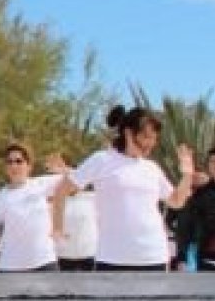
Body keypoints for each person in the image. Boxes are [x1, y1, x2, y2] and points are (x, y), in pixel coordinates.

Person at [52, 106, 194, 272]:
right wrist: (57, 228)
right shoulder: (102, 160)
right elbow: (61, 191)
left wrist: (187, 174)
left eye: (154, 138)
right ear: (128, 133)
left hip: (153, 256)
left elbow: (177, 201)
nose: (150, 143)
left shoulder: (151, 168)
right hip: (113, 257)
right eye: (146, 137)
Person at [0, 143, 62, 273]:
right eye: (9, 162)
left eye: (19, 161)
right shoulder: (0, 199)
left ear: (28, 166)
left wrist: (63, 170)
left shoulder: (41, 184)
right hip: (12, 267)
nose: (14, 166)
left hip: (44, 263)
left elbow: (78, 180)